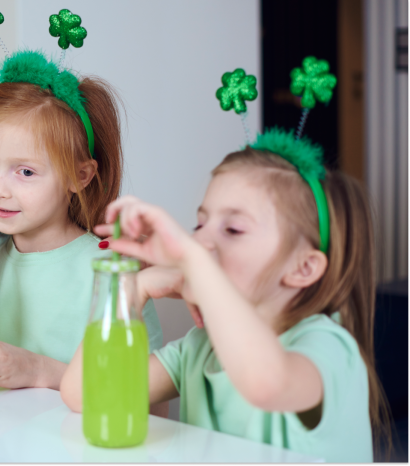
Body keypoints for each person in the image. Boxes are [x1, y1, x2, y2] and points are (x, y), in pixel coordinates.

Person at [61, 130, 390, 462]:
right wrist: (133, 290)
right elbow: (85, 395)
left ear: (303, 268)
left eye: (233, 229)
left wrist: (194, 263)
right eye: (200, 226)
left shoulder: (329, 346)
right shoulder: (199, 347)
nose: (200, 242)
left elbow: (265, 383)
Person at [0, 51, 163, 391]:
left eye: (25, 172)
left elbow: (149, 398)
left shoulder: (110, 269)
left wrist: (40, 371)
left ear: (79, 176)